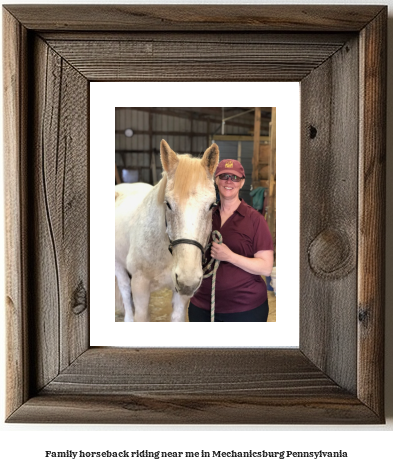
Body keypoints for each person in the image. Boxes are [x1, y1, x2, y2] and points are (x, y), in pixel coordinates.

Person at [189, 159, 274, 322]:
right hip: (202, 306)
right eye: (224, 176)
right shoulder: (204, 217)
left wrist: (229, 256)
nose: (229, 181)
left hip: (245, 309)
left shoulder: (255, 220)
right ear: (216, 180)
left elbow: (266, 268)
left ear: (242, 183)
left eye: (234, 178)